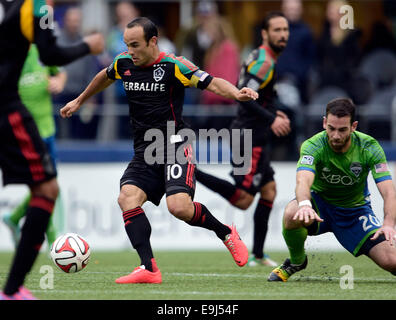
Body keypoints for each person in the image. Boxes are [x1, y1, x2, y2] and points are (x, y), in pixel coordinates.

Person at [60, 17, 258, 284]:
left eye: (135, 45)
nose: (130, 51)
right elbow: (103, 76)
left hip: (176, 145)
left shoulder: (174, 66)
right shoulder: (123, 63)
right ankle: (149, 268)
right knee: (127, 198)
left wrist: (237, 94)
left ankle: (225, 233)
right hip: (144, 150)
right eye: (127, 44)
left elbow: (211, 82)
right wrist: (79, 100)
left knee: (179, 207)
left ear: (153, 41)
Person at [0, 0, 104, 300]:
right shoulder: (34, 8)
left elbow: (51, 65)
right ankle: (12, 290)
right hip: (6, 109)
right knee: (46, 189)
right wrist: (89, 45)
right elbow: (52, 53)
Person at [195, 12, 291, 267]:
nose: (283, 34)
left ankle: (258, 255)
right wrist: (272, 119)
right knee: (244, 199)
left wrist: (273, 110)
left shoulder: (262, 56)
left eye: (285, 29)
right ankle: (192, 172)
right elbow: (244, 95)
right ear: (264, 34)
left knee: (269, 190)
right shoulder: (264, 62)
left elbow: (260, 94)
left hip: (255, 134)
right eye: (277, 30)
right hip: (247, 137)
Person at [268, 98, 396, 282]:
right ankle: (296, 262)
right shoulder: (313, 146)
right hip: (320, 207)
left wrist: (389, 223)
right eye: (331, 128)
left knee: (392, 262)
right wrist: (305, 204)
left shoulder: (369, 147)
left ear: (354, 126)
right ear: (324, 123)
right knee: (292, 212)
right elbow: (303, 179)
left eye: (342, 130)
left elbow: (389, 191)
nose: (335, 135)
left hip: (355, 213)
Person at [2, 44, 66, 249]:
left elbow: (60, 73)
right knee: (46, 185)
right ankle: (54, 239)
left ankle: (14, 218)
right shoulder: (9, 55)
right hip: (25, 133)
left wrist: (58, 82)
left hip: (47, 129)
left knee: (47, 185)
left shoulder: (42, 50)